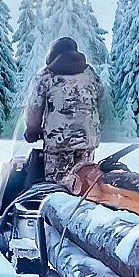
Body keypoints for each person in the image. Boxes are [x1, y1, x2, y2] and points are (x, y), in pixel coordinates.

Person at [22, 36, 102, 182]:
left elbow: (34, 107)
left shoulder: (47, 76)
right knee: (83, 187)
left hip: (59, 142)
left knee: (58, 188)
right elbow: (100, 100)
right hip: (87, 140)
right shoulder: (90, 74)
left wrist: (32, 130)